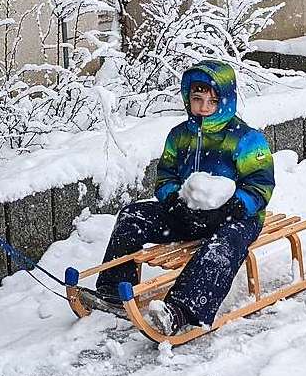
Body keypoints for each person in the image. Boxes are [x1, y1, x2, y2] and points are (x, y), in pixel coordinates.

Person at [92, 60, 275, 335]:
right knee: (133, 216)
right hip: (187, 214)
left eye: (212, 101)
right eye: (197, 99)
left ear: (225, 101)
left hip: (236, 218)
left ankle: (181, 310)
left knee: (222, 246)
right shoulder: (179, 136)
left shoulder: (246, 139)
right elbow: (166, 176)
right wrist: (174, 204)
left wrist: (230, 210)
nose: (203, 107)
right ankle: (112, 289)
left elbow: (261, 185)